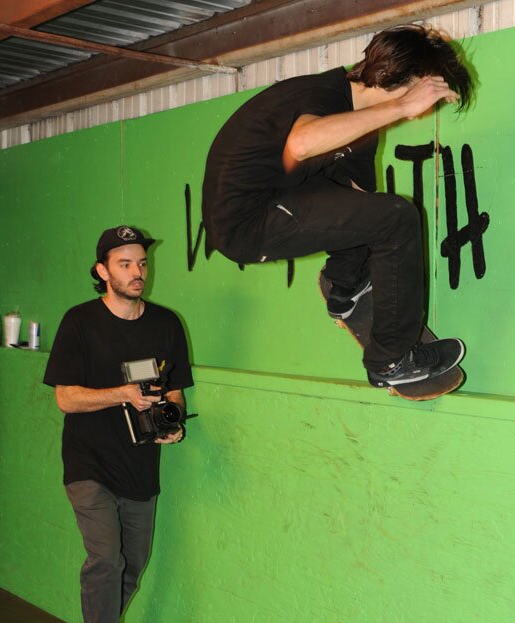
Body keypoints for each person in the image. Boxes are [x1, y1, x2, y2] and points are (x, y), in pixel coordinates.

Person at [202, 25, 473, 390]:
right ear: (398, 77)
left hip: (277, 199)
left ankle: (345, 287)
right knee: (399, 217)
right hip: (245, 223)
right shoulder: (322, 94)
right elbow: (301, 143)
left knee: (373, 210)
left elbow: (361, 202)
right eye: (424, 96)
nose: (423, 111)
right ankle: (391, 361)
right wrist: (400, 106)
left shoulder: (360, 123)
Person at [43, 226, 193, 623]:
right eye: (124, 264)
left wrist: (173, 424)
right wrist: (122, 394)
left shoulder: (166, 324)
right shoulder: (79, 322)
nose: (136, 272)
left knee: (134, 564)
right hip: (88, 463)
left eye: (141, 263)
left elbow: (175, 392)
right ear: (102, 271)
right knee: (106, 559)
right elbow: (66, 398)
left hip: (140, 466)